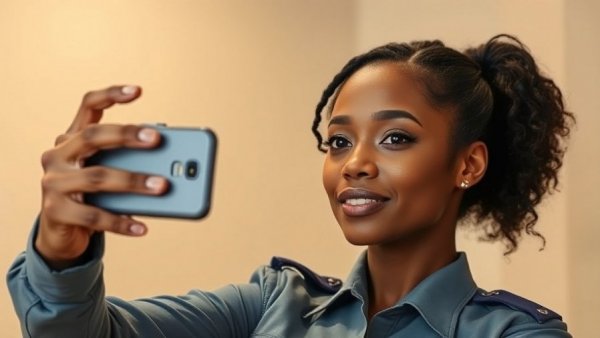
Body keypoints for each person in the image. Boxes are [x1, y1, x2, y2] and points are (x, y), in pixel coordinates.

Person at [7, 34, 574, 337]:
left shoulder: (516, 335)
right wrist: (61, 251)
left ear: (467, 165)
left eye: (396, 138)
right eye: (338, 141)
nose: (354, 164)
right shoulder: (272, 306)